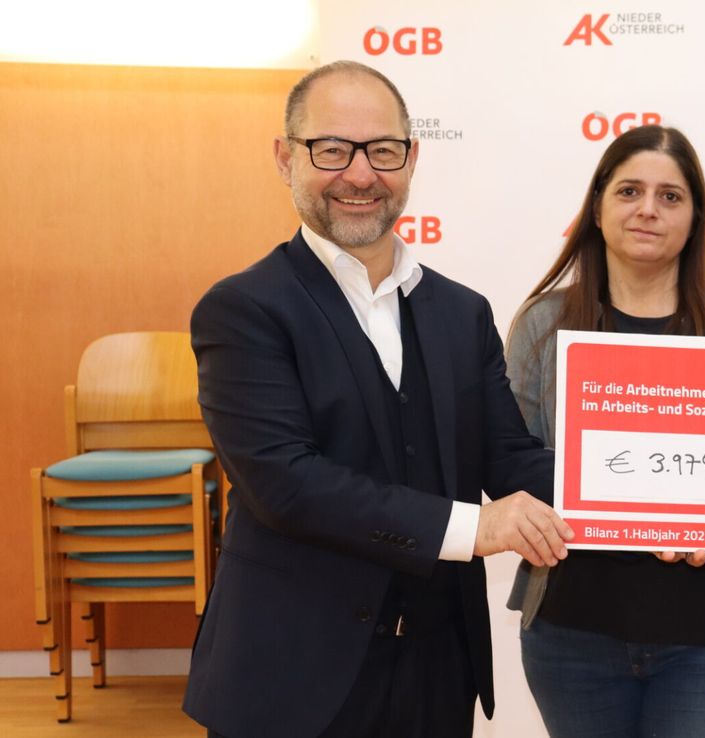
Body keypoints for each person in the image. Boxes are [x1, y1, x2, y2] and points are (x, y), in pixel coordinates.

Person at [183, 60, 573, 738]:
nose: (361, 175)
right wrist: (472, 529)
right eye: (331, 150)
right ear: (285, 158)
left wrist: (646, 509)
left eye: (383, 151)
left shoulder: (462, 311)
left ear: (412, 158)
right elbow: (287, 485)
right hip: (290, 680)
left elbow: (509, 458)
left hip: (437, 671)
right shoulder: (243, 311)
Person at [504, 125, 705, 737]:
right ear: (597, 206)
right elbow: (513, 465)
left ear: (696, 217)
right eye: (629, 190)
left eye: (671, 196)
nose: (648, 209)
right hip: (572, 639)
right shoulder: (543, 325)